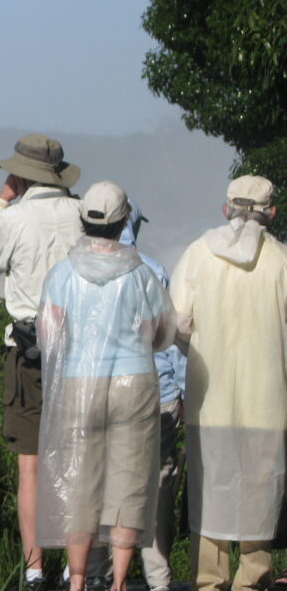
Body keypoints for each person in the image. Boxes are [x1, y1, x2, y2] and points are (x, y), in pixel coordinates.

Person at [35, 181, 176, 591]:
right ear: (124, 221)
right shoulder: (141, 273)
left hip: (80, 384)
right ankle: (118, 584)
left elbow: (49, 334)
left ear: (84, 220)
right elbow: (160, 332)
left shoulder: (62, 273)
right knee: (129, 483)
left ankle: (78, 580)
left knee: (81, 483)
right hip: (133, 384)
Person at [0, 133, 83, 589]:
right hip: (78, 353)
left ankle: (35, 569)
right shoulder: (82, 214)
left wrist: (0, 201)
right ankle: (79, 572)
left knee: (31, 466)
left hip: (27, 351)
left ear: (21, 175)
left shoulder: (14, 219)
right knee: (75, 463)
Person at [170, 175, 287, 591]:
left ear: (226, 209)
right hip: (268, 399)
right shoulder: (281, 259)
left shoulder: (198, 254)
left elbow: (177, 323)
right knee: (261, 486)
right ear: (270, 213)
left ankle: (209, 580)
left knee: (211, 488)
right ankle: (252, 578)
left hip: (210, 396)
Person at [120, 201, 185, 591]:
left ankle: (105, 572)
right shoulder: (154, 269)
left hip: (105, 394)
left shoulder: (78, 269)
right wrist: (181, 389)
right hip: (157, 392)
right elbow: (171, 339)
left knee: (111, 481)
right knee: (158, 483)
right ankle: (158, 576)